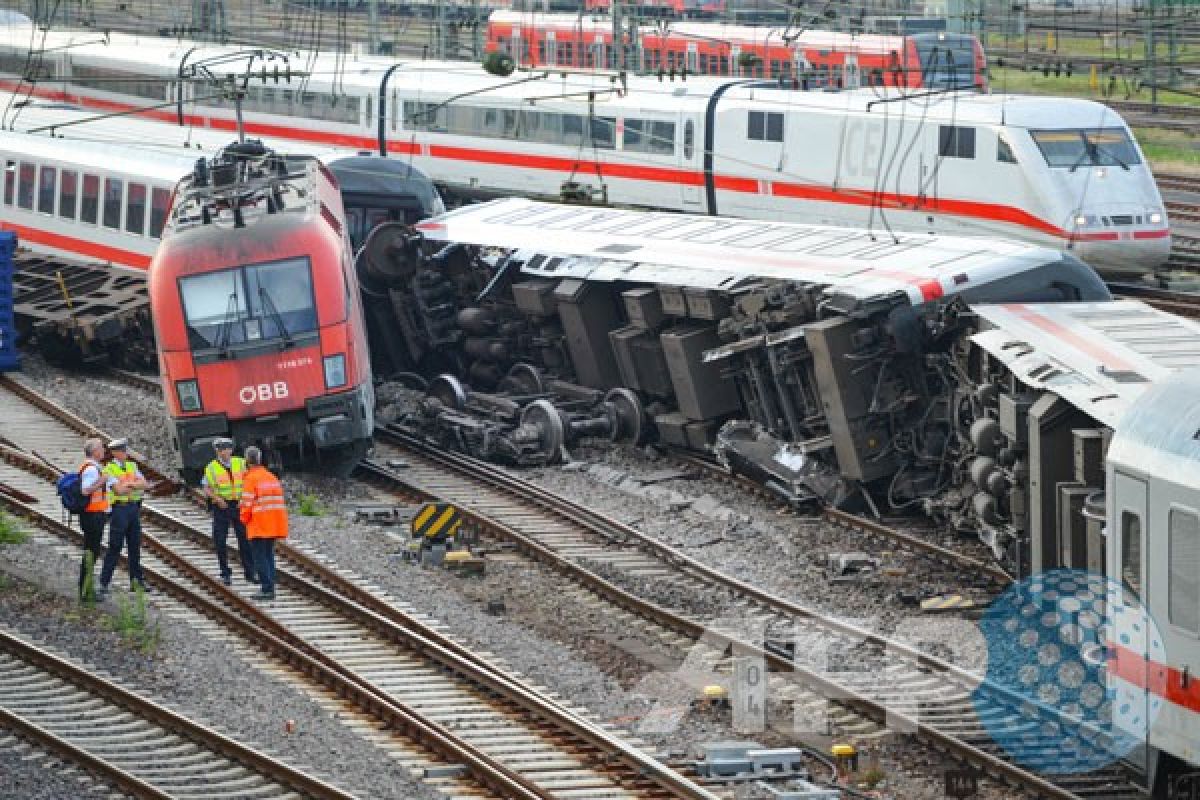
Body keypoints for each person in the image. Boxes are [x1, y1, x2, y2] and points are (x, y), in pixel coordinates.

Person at [97, 438, 150, 596]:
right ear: (114, 453)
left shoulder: (132, 466)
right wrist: (134, 485)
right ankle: (104, 582)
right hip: (119, 510)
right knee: (115, 546)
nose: (125, 453)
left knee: (134, 546)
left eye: (125, 450)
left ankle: (137, 582)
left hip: (133, 508)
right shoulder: (109, 469)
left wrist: (130, 485)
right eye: (122, 450)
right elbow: (118, 491)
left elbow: (144, 484)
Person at [202, 438, 255, 586]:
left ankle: (250, 572)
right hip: (221, 507)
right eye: (222, 450)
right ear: (217, 451)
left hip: (238, 506)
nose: (225, 452)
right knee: (220, 540)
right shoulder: (211, 467)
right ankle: (225, 573)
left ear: (231, 450)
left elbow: (249, 481)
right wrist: (217, 499)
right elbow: (206, 487)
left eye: (227, 449)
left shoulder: (240, 463)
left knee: (245, 540)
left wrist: (244, 499)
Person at [239, 446, 287, 600]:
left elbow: (246, 504)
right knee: (268, 555)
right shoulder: (271, 477)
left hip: (259, 524)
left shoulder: (250, 479)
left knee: (259, 557)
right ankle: (270, 585)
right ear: (259, 459)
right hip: (273, 523)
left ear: (247, 461)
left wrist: (243, 520)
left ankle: (266, 589)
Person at [77, 437, 108, 602]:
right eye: (101, 448)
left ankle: (86, 588)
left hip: (94, 515)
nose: (103, 451)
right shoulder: (91, 470)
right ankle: (85, 591)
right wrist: (101, 482)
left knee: (92, 552)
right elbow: (85, 491)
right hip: (92, 516)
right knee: (91, 552)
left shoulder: (92, 467)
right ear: (95, 452)